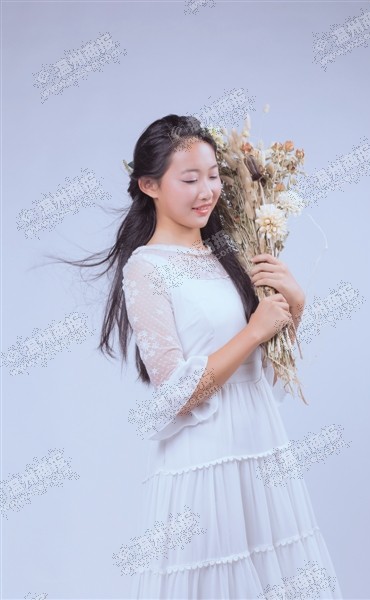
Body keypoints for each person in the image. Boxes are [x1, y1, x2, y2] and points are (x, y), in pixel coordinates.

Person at [54, 114, 343, 598]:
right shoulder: (146, 269)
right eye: (189, 179)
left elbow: (267, 372)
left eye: (212, 176)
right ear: (149, 185)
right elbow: (175, 396)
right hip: (206, 456)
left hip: (259, 441)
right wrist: (255, 330)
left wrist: (295, 307)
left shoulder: (228, 252)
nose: (207, 191)